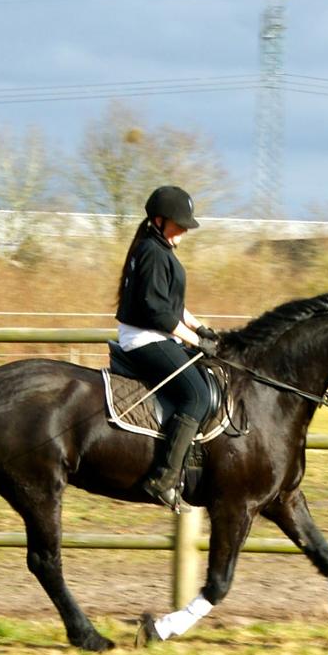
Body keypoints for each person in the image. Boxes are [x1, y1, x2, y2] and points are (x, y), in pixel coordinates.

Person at [115, 185, 220, 508]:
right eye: (180, 223)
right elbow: (156, 312)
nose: (185, 230)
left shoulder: (159, 250)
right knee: (197, 395)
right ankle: (164, 478)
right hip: (144, 338)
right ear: (159, 221)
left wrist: (199, 326)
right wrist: (195, 341)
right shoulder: (152, 252)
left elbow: (172, 305)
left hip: (158, 334)